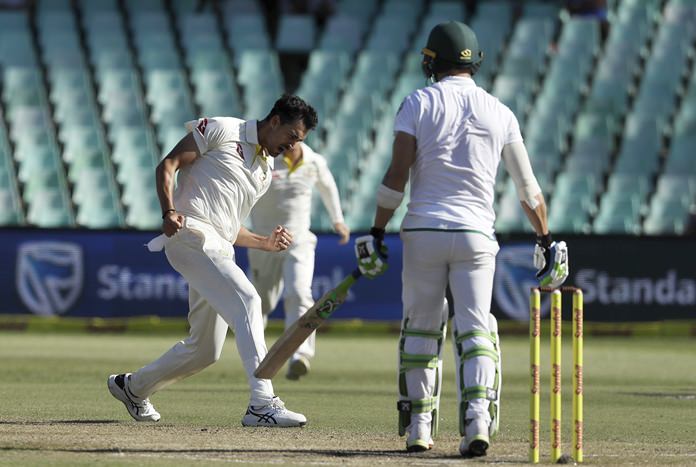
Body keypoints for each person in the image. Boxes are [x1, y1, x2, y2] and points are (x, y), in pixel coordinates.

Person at [354, 22, 569, 457]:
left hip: (424, 231)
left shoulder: (417, 102)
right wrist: (546, 240)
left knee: (421, 325)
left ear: (432, 60)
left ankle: (419, 427)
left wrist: (377, 230)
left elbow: (396, 175)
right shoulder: (500, 111)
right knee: (475, 328)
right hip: (475, 235)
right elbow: (528, 190)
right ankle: (477, 422)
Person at [107, 94, 318, 427]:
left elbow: (230, 227)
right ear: (275, 120)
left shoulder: (264, 171)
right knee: (249, 300)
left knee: (205, 350)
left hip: (219, 247)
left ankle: (133, 387)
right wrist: (168, 211)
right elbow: (169, 164)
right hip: (190, 234)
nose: (292, 147)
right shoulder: (224, 129)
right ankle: (262, 402)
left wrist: (264, 243)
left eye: (299, 142)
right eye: (292, 136)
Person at [248, 141, 349, 380]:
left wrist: (338, 220)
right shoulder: (264, 157)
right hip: (264, 242)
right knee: (260, 303)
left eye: (298, 134)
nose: (292, 141)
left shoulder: (314, 161)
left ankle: (299, 355)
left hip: (299, 241)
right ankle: (255, 355)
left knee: (299, 293)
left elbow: (328, 186)